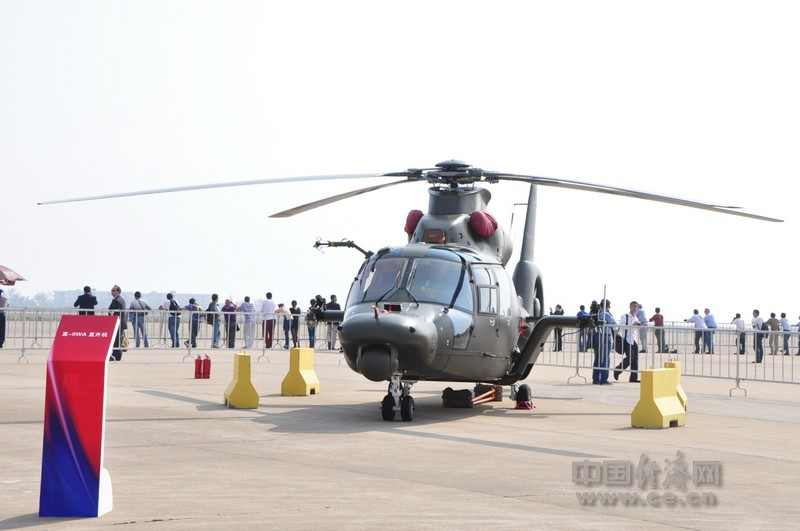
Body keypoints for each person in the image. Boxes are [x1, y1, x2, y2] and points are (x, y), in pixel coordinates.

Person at [614, 301, 641, 383]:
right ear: (630, 307)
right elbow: (622, 327)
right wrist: (632, 326)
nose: (634, 308)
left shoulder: (636, 317)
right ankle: (617, 370)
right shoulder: (625, 316)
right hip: (627, 340)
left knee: (635, 360)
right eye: (633, 306)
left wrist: (637, 326)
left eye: (636, 306)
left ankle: (633, 378)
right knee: (630, 358)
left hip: (634, 340)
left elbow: (635, 329)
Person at [592, 299, 614, 385]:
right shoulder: (605, 314)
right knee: (604, 358)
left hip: (597, 336)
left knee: (597, 358)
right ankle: (604, 379)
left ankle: (596, 378)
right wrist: (610, 314)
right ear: (607, 306)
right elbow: (613, 323)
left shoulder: (596, 313)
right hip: (604, 337)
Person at [108, 285, 127, 361]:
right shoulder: (119, 299)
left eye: (113, 290)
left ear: (118, 291)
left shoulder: (117, 300)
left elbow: (114, 312)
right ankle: (116, 355)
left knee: (117, 340)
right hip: (120, 323)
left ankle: (117, 356)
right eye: (111, 290)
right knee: (118, 339)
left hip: (117, 323)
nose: (112, 292)